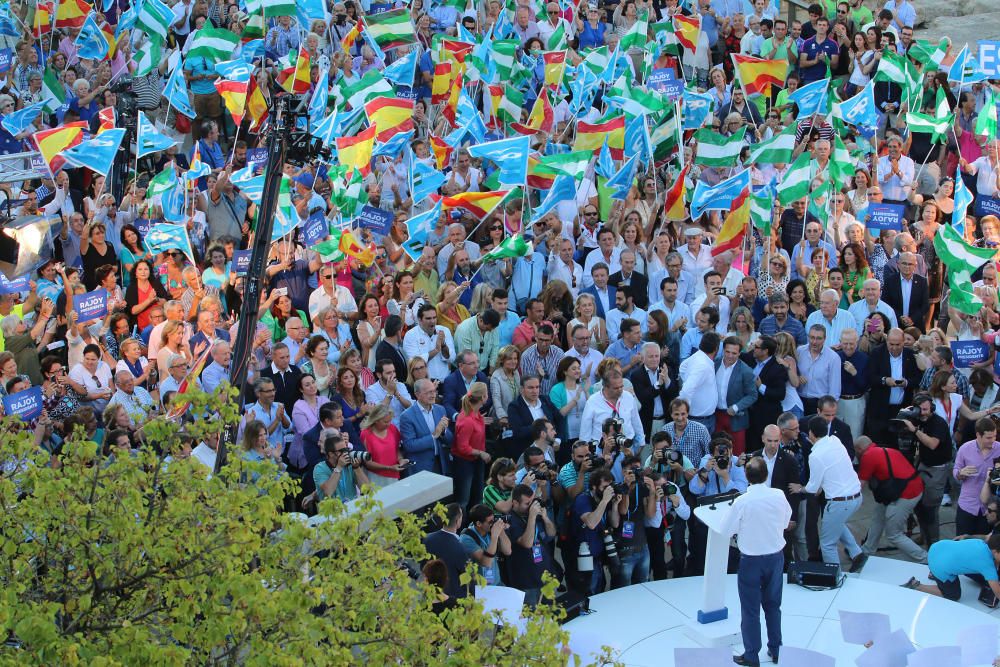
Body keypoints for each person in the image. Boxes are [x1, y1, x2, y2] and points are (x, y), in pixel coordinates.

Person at [720, 457, 792, 667]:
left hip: (751, 561)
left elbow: (726, 530)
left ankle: (752, 654)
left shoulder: (742, 501)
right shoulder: (778, 495)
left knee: (750, 610)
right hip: (775, 558)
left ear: (746, 476)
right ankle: (776, 648)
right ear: (766, 475)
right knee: (773, 605)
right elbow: (787, 521)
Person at [789, 416, 866, 571]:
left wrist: (800, 488)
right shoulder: (836, 441)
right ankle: (857, 554)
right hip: (857, 497)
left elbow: (812, 488)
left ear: (811, 433)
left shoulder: (815, 455)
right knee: (836, 523)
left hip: (840, 503)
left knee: (827, 544)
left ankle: (834, 575)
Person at [854, 436, 927, 563]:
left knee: (894, 534)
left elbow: (860, 484)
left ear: (859, 449)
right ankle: (867, 550)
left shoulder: (868, 456)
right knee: (878, 516)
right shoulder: (888, 450)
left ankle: (926, 559)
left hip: (905, 495)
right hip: (909, 488)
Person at [901, 534, 1000, 602]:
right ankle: (917, 585)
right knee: (953, 595)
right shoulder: (987, 565)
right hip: (938, 566)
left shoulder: (980, 542)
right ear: (995, 551)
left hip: (937, 548)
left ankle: (933, 574)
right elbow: (997, 592)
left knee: (956, 560)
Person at [505, 484, 557, 607]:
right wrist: (532, 517)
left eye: (531, 502)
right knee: (530, 621)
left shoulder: (535, 515)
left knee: (549, 619)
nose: (530, 507)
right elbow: (527, 543)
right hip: (526, 582)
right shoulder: (510, 519)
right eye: (526, 504)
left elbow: (552, 533)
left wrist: (545, 518)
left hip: (546, 577)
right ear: (515, 503)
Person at [569, 468, 620, 594]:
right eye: (605, 487)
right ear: (593, 486)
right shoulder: (583, 499)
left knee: (600, 588)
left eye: (610, 486)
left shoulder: (604, 500)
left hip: (598, 556)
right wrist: (605, 500)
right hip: (584, 557)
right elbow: (591, 523)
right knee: (589, 593)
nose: (608, 490)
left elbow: (615, 523)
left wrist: (614, 505)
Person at [954, 419, 1000, 537]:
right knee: (962, 543)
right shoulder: (965, 448)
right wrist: (960, 473)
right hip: (967, 505)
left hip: (990, 510)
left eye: (995, 436)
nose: (993, 440)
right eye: (989, 438)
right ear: (978, 435)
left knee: (986, 547)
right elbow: (955, 470)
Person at [398, 379, 453, 475]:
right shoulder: (406, 416)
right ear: (417, 394)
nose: (433, 395)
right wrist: (434, 435)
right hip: (420, 468)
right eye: (429, 392)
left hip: (441, 464)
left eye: (434, 391)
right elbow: (409, 445)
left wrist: (443, 432)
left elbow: (450, 440)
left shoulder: (440, 409)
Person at [714, 336, 758, 456]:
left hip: (736, 419)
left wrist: (736, 407)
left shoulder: (746, 371)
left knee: (737, 454)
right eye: (727, 352)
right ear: (723, 351)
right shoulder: (715, 364)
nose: (730, 356)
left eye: (734, 353)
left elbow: (753, 395)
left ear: (739, 353)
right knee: (716, 452)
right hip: (716, 416)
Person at [451, 381, 491, 511]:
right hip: (465, 464)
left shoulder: (476, 414)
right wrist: (481, 453)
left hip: (475, 461)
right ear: (483, 397)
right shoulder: (467, 419)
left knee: (478, 497)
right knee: (464, 500)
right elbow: (462, 447)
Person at [423, 503, 470, 599]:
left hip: (432, 596)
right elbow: (467, 577)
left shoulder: (427, 539)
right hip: (454, 598)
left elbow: (423, 566)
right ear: (457, 521)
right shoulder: (460, 546)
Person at [459, 504, 511, 587]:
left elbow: (507, 551)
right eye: (490, 522)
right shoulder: (467, 538)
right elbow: (486, 562)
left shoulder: (490, 531)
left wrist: (501, 531)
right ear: (479, 524)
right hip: (480, 588)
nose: (493, 524)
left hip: (497, 583)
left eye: (494, 520)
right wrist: (494, 537)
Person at [679, 331, 721, 433]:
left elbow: (682, 367)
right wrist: (685, 414)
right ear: (716, 349)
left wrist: (688, 379)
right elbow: (686, 390)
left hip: (703, 419)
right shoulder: (702, 365)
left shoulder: (698, 357)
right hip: (699, 421)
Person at [313, 431, 370, 502]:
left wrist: (356, 468)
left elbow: (367, 489)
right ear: (331, 454)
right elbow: (328, 492)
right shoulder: (320, 468)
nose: (346, 452)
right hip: (332, 511)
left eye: (347, 449)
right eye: (342, 450)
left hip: (351, 508)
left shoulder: (349, 465)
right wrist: (339, 467)